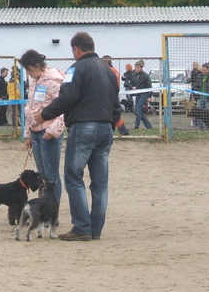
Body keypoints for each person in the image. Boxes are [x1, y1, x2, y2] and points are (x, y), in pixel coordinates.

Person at [33, 31, 121, 241]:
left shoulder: (76, 69)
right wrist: (111, 123)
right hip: (105, 128)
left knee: (73, 177)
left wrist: (44, 115)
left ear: (77, 49)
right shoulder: (108, 70)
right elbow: (116, 103)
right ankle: (95, 229)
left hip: (83, 128)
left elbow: (67, 98)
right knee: (100, 184)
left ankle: (82, 227)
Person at [18, 50, 66, 203]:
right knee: (42, 176)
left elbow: (64, 107)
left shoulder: (54, 81)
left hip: (49, 133)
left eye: (29, 69)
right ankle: (43, 207)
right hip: (35, 133)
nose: (28, 73)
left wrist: (53, 130)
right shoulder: (34, 81)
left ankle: (52, 210)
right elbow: (30, 108)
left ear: (37, 65)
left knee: (51, 176)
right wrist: (28, 133)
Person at [102, 55, 129, 136]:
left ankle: (123, 131)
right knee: (114, 114)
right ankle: (120, 131)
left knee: (114, 115)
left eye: (103, 61)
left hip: (108, 95)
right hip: (113, 94)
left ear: (106, 62)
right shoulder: (114, 70)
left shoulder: (108, 71)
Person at [129, 60, 153, 129]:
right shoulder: (133, 75)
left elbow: (149, 86)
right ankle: (148, 126)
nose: (136, 69)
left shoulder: (145, 75)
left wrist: (150, 96)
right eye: (135, 67)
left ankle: (137, 125)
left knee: (138, 108)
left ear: (141, 67)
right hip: (138, 94)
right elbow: (130, 83)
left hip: (144, 94)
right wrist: (132, 86)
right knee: (138, 110)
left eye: (138, 67)